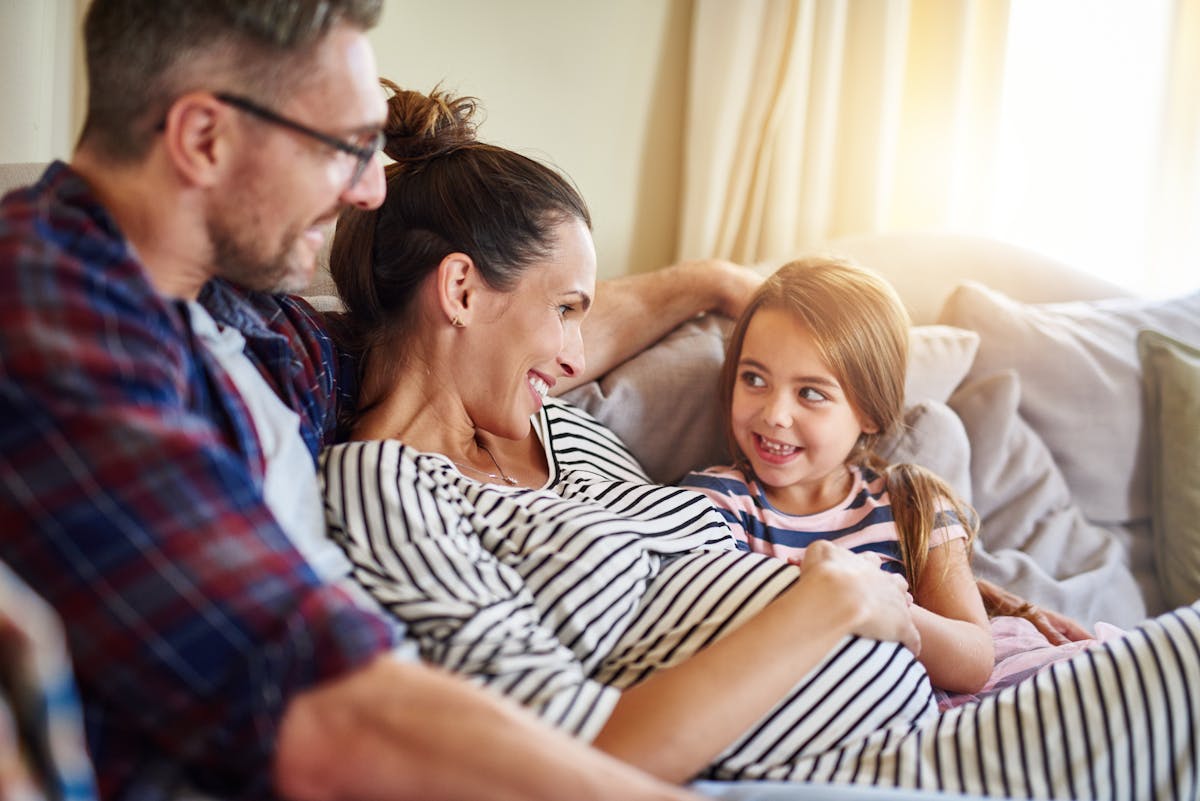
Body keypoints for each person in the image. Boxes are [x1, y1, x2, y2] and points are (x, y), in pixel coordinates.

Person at [321, 81, 1200, 799]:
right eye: (566, 311)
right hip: (888, 766)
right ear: (463, 293)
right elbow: (581, 757)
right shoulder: (390, 494)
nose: (579, 354)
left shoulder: (535, 416)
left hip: (937, 715)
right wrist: (830, 609)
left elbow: (577, 327)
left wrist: (711, 281)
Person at [0, 3, 759, 800]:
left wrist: (699, 284)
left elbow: (482, 342)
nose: (369, 189)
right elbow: (326, 718)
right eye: (345, 147)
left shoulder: (255, 327)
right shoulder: (49, 312)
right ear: (204, 139)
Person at [679, 258, 994, 695]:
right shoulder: (714, 502)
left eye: (810, 393)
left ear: (869, 410)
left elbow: (975, 660)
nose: (775, 415)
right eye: (754, 379)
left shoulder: (913, 505)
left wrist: (882, 605)